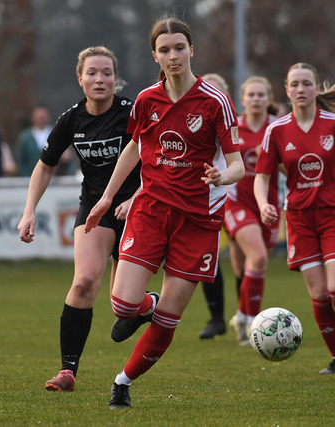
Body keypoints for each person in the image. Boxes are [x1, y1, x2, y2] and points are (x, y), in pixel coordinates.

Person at [84, 17, 244, 409]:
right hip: (151, 210)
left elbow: (238, 165)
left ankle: (123, 382)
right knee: (123, 305)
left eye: (179, 48)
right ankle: (148, 304)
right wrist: (107, 197)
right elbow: (135, 147)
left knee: (170, 318)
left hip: (198, 220)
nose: (173, 56)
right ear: (154, 55)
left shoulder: (215, 101)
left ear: (192, 50)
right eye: (165, 50)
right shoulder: (146, 100)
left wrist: (222, 176)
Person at [17, 46, 143, 392]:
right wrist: (29, 211)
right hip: (95, 209)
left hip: (138, 208)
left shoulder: (132, 112)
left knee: (123, 305)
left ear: (115, 79)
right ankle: (67, 371)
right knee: (84, 281)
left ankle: (146, 307)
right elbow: (44, 166)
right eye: (92, 73)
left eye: (106, 73)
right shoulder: (71, 119)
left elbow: (158, 161)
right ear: (80, 79)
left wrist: (135, 197)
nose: (99, 79)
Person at [254, 63, 335, 375]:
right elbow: (261, 175)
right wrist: (263, 204)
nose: (301, 89)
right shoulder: (276, 131)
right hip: (299, 220)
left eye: (307, 83)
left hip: (333, 214)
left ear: (317, 88)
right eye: (294, 84)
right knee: (319, 294)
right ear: (286, 90)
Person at [226, 76, 280, 346]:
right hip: (236, 202)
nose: (256, 99)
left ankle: (241, 316)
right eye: (251, 94)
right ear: (243, 98)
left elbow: (290, 168)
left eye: (261, 95)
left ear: (268, 98)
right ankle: (250, 323)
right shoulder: (233, 126)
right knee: (256, 257)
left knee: (254, 266)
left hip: (268, 205)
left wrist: (271, 158)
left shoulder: (278, 128)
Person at [196, 73, 231, 340]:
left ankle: (247, 315)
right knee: (206, 259)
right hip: (206, 196)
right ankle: (217, 318)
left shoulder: (231, 122)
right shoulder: (193, 120)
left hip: (235, 196)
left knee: (248, 260)